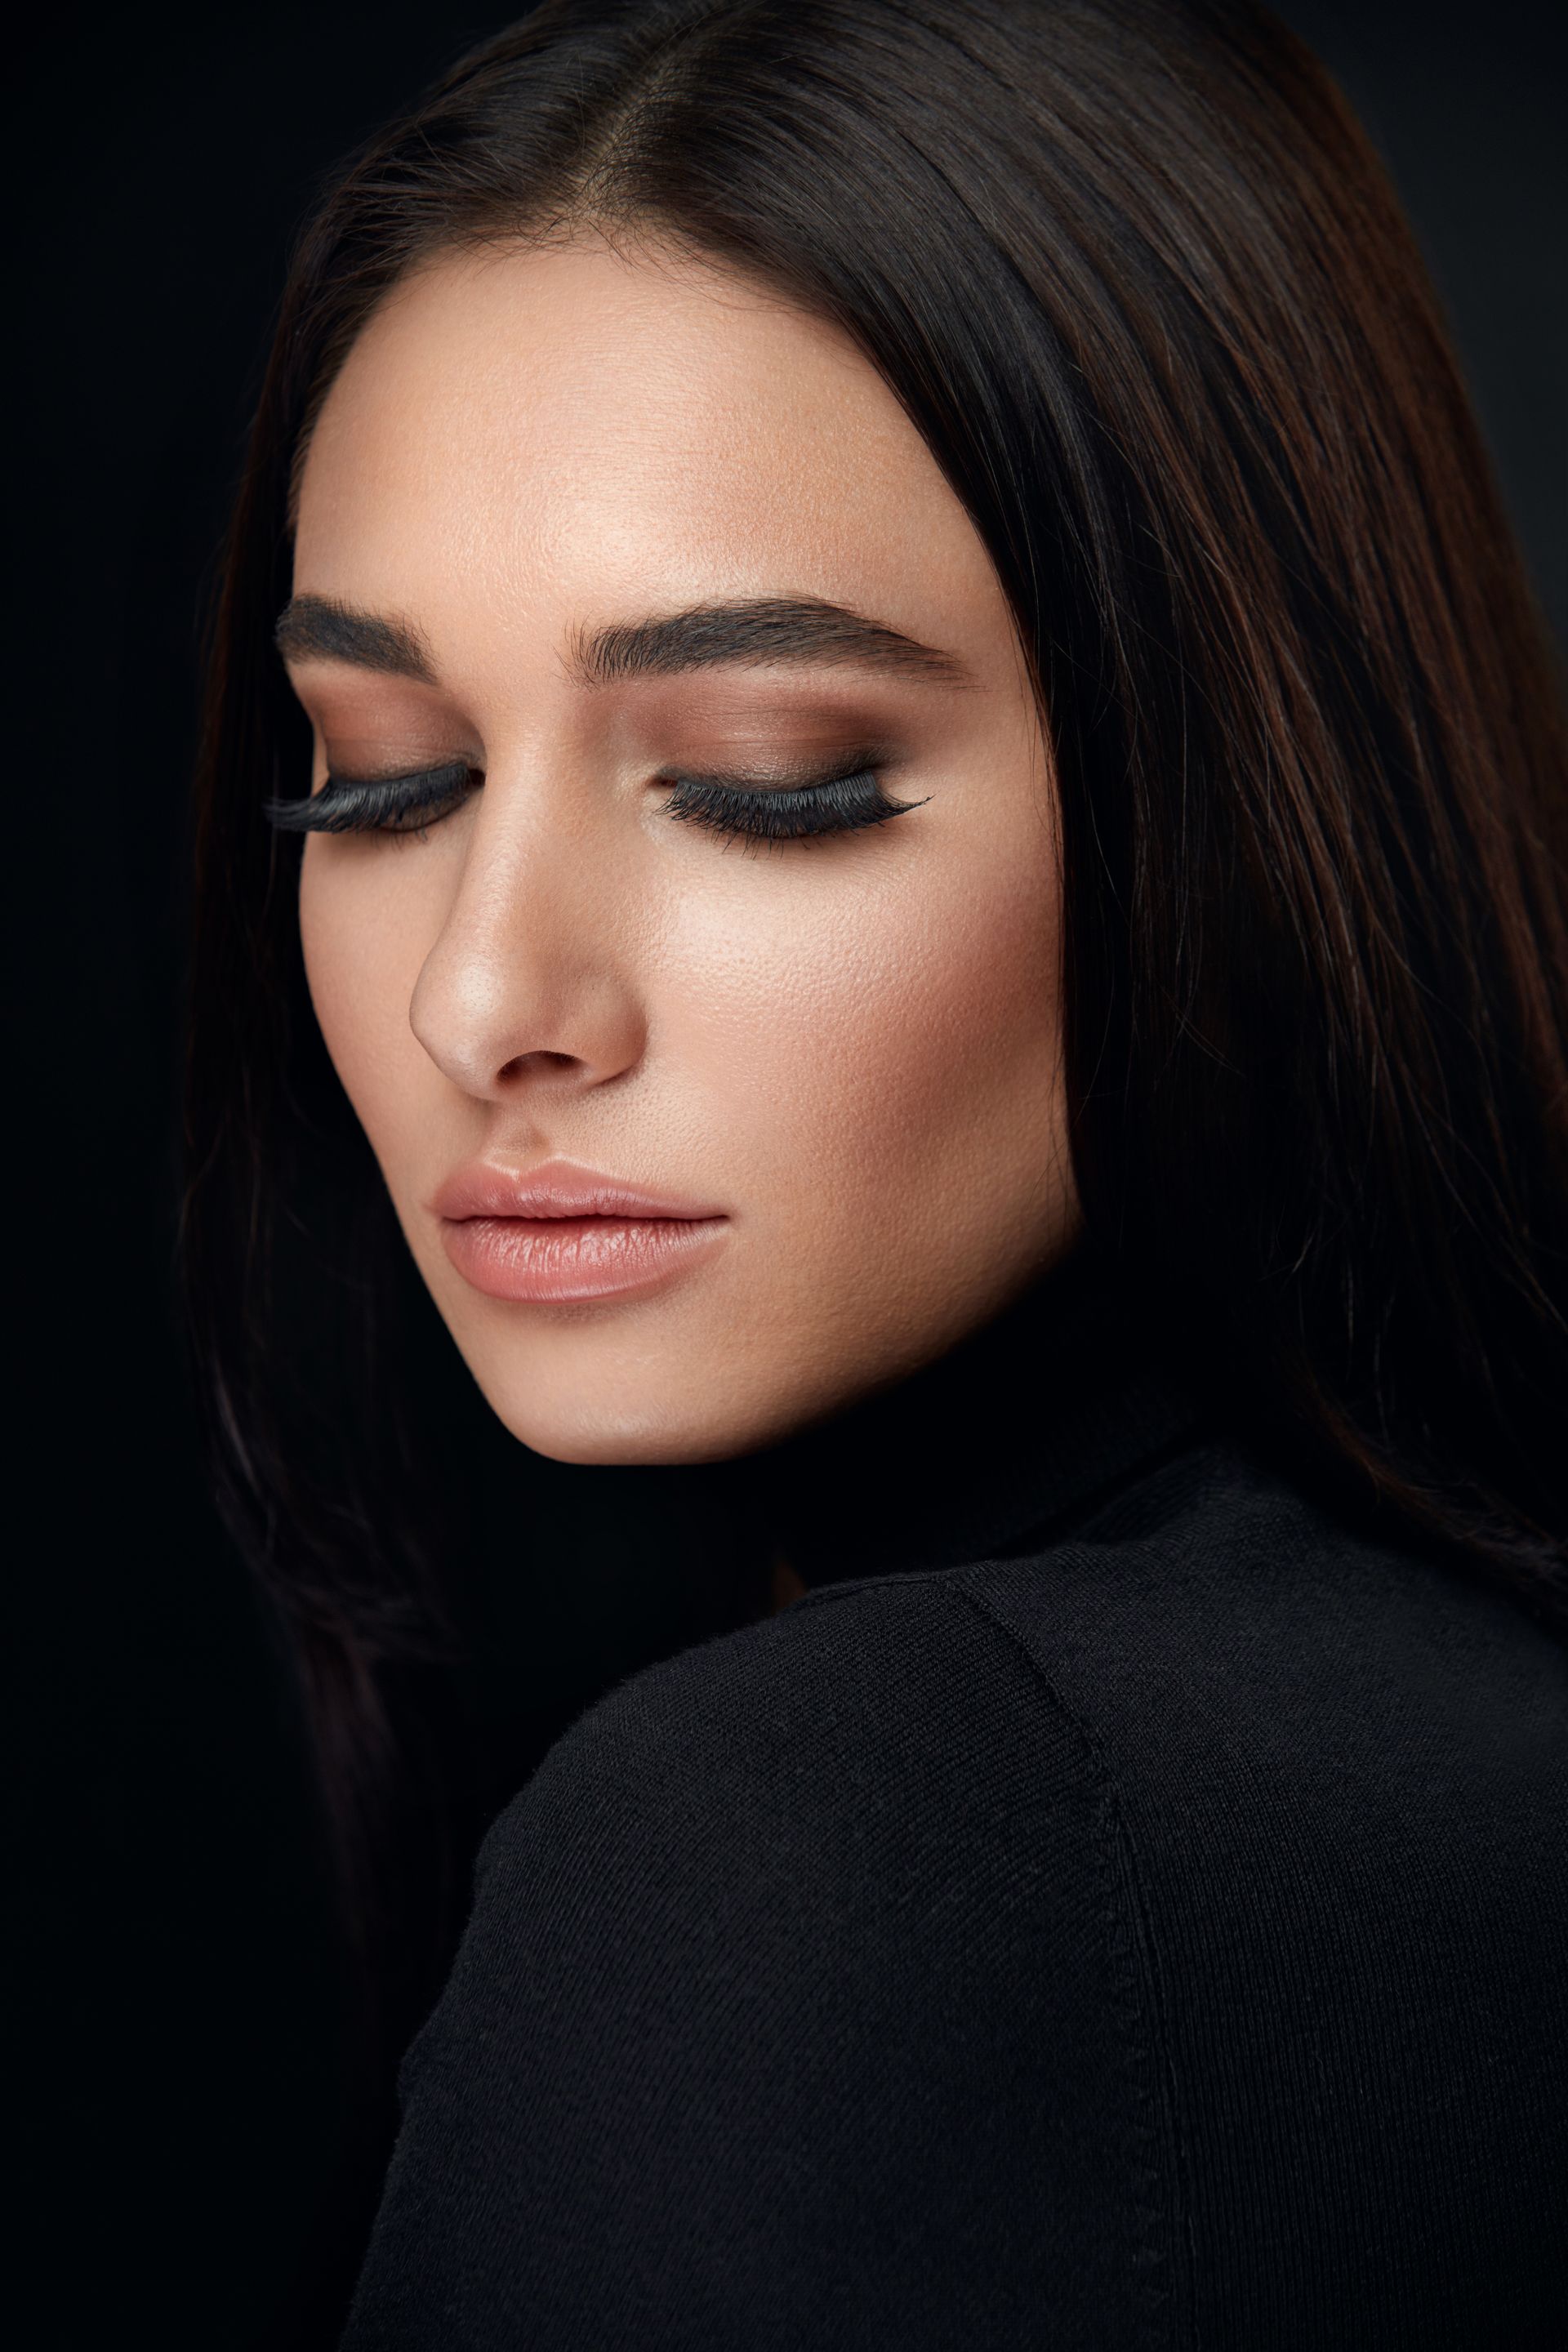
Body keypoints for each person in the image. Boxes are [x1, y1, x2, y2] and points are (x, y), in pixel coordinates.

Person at [181, 0, 1568, 2341]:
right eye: (380, 777)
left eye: (769, 778)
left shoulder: (856, 1840)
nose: (481, 995)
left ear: (1242, 784)